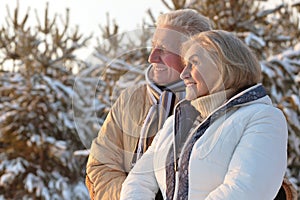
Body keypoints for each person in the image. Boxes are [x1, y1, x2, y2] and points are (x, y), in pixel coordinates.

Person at [120, 30, 289, 200]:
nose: (184, 74)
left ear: (224, 66)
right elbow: (138, 180)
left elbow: (244, 190)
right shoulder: (175, 123)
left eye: (194, 63)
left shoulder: (262, 118)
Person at [85, 9, 213, 200]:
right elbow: (100, 165)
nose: (152, 57)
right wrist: (133, 194)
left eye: (163, 49)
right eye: (153, 47)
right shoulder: (130, 100)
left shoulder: (216, 102)